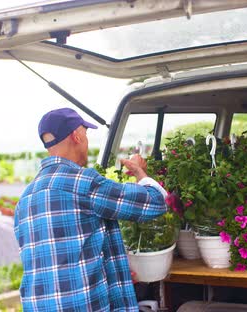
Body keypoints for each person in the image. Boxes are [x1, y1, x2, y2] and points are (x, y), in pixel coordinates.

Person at [14, 108, 167, 311]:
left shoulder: (26, 198)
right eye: (85, 135)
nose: (86, 143)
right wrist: (141, 173)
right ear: (76, 136)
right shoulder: (83, 182)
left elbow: (61, 258)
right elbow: (155, 203)